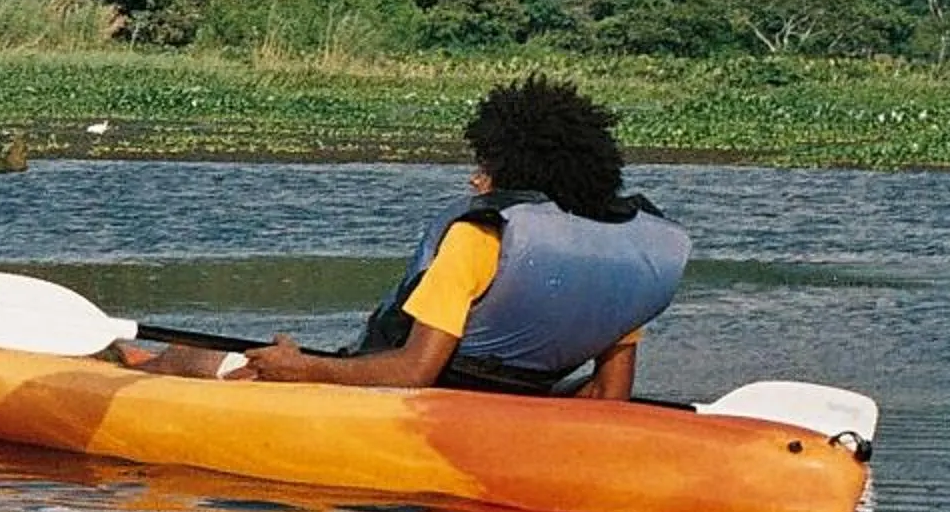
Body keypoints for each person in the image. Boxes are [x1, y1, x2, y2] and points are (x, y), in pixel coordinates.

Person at [148, 74, 690, 397]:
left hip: (412, 399)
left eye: (486, 165)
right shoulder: (628, 250)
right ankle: (131, 360)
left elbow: (415, 371)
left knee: (182, 356)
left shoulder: (483, 235)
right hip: (520, 404)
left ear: (516, 168)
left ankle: (128, 369)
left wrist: (303, 368)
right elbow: (609, 394)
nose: (477, 180)